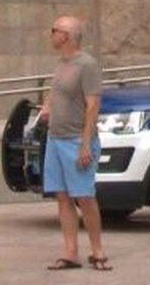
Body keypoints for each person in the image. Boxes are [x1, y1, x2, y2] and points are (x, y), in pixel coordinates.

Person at [40, 16, 111, 271]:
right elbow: (55, 91)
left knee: (84, 196)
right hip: (55, 138)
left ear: (66, 36)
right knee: (62, 196)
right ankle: (70, 252)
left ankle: (98, 250)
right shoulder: (62, 63)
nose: (51, 34)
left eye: (54, 30)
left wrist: (85, 144)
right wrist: (47, 107)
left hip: (75, 140)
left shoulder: (87, 65)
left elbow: (93, 105)